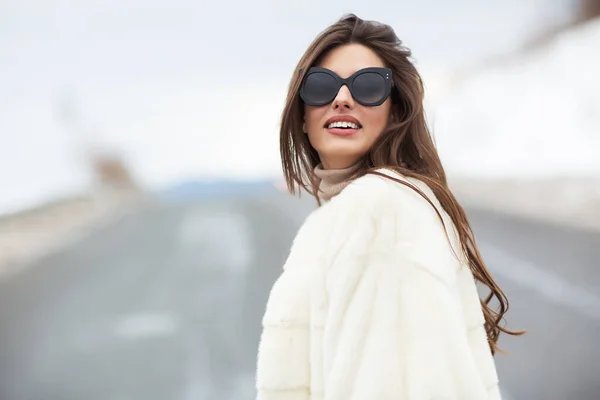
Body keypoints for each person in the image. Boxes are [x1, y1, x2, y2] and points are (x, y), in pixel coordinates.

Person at [255, 13, 524, 400]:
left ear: (395, 110)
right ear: (301, 114)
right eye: (321, 87)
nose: (342, 99)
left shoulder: (381, 211)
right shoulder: (377, 206)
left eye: (367, 86)